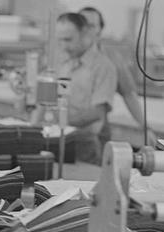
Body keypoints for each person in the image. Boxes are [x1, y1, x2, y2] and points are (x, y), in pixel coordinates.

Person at [33, 12, 117, 165]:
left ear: (84, 33)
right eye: (60, 41)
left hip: (84, 144)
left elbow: (97, 112)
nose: (64, 46)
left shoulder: (103, 67)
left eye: (68, 40)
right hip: (57, 138)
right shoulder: (63, 62)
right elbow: (46, 98)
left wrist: (61, 126)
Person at [78, 6, 157, 148]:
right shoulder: (63, 56)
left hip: (97, 135)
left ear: (99, 30)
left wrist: (145, 127)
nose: (85, 29)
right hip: (66, 130)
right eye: (81, 24)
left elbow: (129, 95)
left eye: (91, 25)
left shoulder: (111, 59)